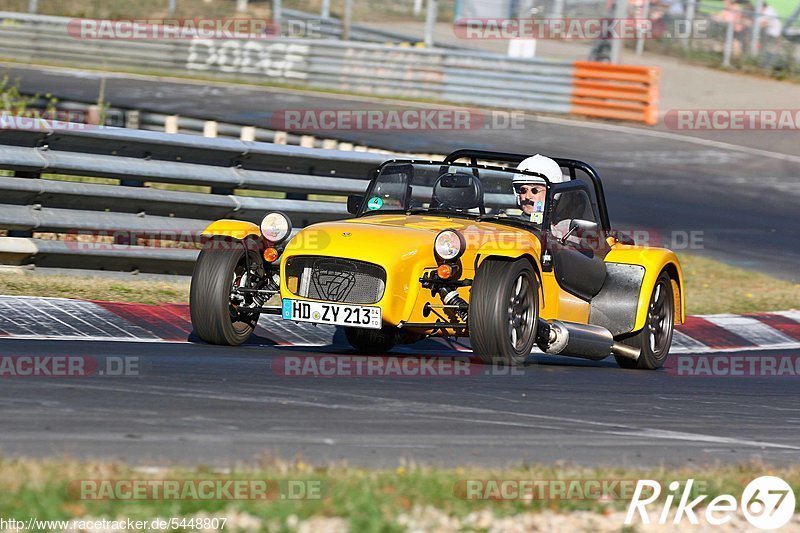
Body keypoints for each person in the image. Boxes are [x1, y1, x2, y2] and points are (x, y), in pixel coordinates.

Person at [512, 154, 566, 224]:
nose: (527, 197)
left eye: (535, 191)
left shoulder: (562, 229)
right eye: (523, 190)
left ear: (551, 192)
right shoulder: (509, 225)